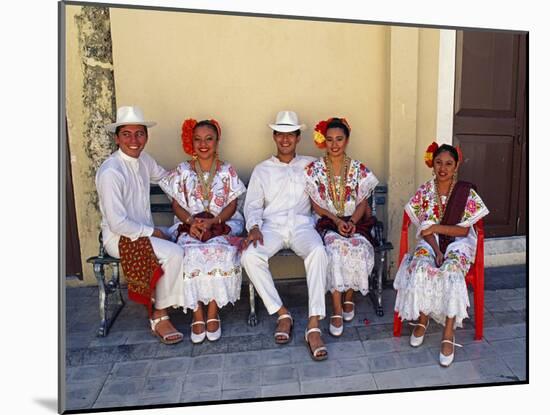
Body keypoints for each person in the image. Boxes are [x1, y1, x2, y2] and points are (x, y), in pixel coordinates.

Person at [241, 110, 329, 361]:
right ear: (274, 136)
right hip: (272, 227)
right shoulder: (262, 170)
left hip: (302, 226)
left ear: (298, 137)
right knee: (249, 256)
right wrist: (254, 226)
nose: (285, 139)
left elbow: (330, 188)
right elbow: (253, 205)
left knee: (318, 252)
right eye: (280, 134)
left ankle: (313, 326)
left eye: (290, 134)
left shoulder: (310, 165)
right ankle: (282, 314)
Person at [393, 142, 489, 367]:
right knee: (420, 268)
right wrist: (436, 251)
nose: (443, 168)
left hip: (458, 244)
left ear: (456, 166)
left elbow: (463, 230)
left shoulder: (466, 193)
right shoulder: (426, 191)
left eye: (448, 163)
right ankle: (423, 319)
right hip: (431, 243)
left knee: (452, 272)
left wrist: (437, 229)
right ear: (432, 164)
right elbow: (424, 229)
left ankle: (448, 332)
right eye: (438, 163)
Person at [96, 105, 185, 345]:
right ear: (117, 137)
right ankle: (159, 315)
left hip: (145, 232)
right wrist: (155, 232)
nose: (134, 140)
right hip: (121, 238)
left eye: (139, 134)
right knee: (175, 253)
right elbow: (117, 222)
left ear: (146, 136)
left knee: (184, 235)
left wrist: (195, 173)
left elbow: (167, 179)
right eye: (126, 134)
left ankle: (190, 300)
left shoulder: (144, 159)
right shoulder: (111, 172)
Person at [158, 118, 246, 343]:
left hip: (220, 223)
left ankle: (213, 313)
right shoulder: (183, 170)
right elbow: (176, 203)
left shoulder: (227, 171)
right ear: (191, 142)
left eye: (209, 139)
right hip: (190, 224)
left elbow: (232, 204)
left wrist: (214, 221)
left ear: (217, 141)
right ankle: (197, 313)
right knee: (187, 253)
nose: (203, 144)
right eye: (198, 139)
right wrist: (191, 221)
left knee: (220, 251)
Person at [304, 117, 379, 337]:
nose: (334, 144)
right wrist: (337, 221)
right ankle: (337, 307)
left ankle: (349, 296)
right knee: (336, 250)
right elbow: (316, 204)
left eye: (339, 139)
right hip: (329, 221)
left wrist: (352, 222)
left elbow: (362, 202)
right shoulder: (315, 169)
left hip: (356, 221)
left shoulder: (358, 169)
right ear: (323, 141)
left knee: (357, 249)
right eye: (329, 140)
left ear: (346, 140)